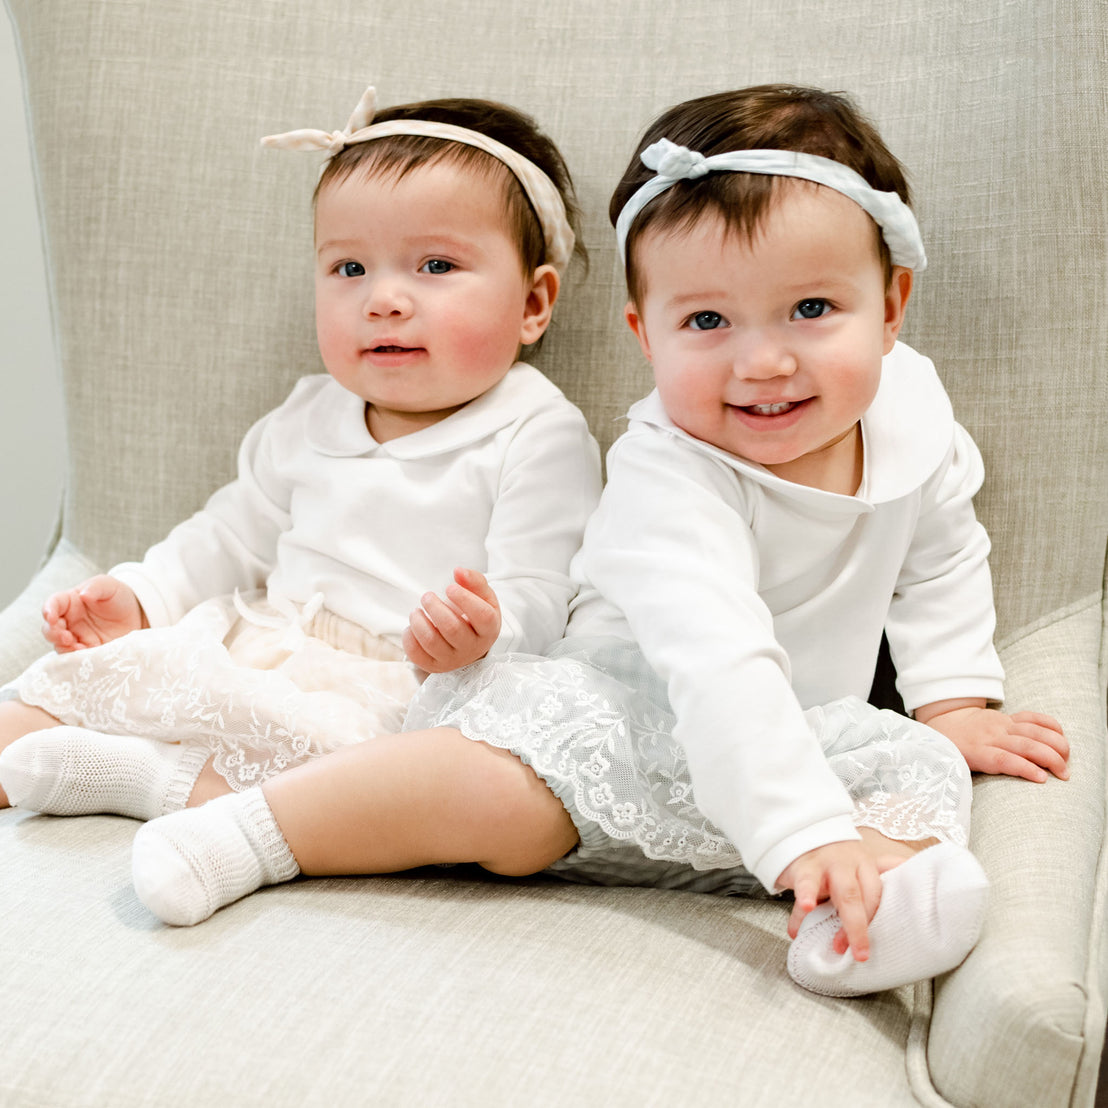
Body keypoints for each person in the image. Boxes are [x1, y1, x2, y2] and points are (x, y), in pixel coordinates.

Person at [43, 85, 1068, 1001]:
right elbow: (716, 661)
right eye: (706, 319)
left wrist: (951, 702)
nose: (763, 361)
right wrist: (802, 831)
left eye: (810, 309)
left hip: (805, 727)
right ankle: (245, 834)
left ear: (888, 307)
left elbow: (938, 558)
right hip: (633, 713)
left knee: (920, 778)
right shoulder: (665, 474)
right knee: (506, 803)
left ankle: (843, 928)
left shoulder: (917, 419)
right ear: (642, 332)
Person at [0, 86, 601, 823]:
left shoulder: (534, 429)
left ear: (535, 304)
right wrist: (142, 596)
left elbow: (543, 589)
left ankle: (150, 782)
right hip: (257, 641)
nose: (383, 299)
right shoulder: (310, 412)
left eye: (436, 266)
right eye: (350, 269)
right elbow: (226, 535)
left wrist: (486, 629)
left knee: (347, 784)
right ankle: (61, 749)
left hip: (395, 683)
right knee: (73, 687)